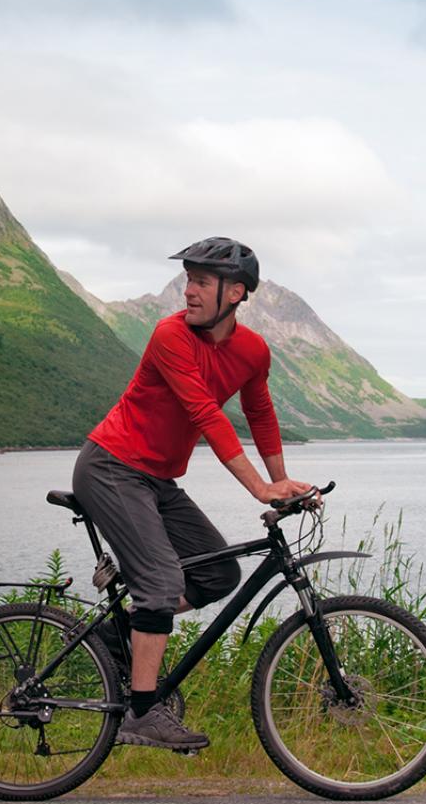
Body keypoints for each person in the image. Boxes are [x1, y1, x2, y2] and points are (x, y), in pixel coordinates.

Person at [71, 237, 315, 751]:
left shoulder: (253, 351)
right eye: (189, 280)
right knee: (160, 581)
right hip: (111, 467)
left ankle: (117, 637)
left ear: (236, 293)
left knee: (218, 572)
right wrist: (260, 489)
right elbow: (207, 415)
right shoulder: (170, 336)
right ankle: (140, 713)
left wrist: (282, 482)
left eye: (201, 282)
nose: (189, 291)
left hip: (156, 479)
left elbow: (260, 415)